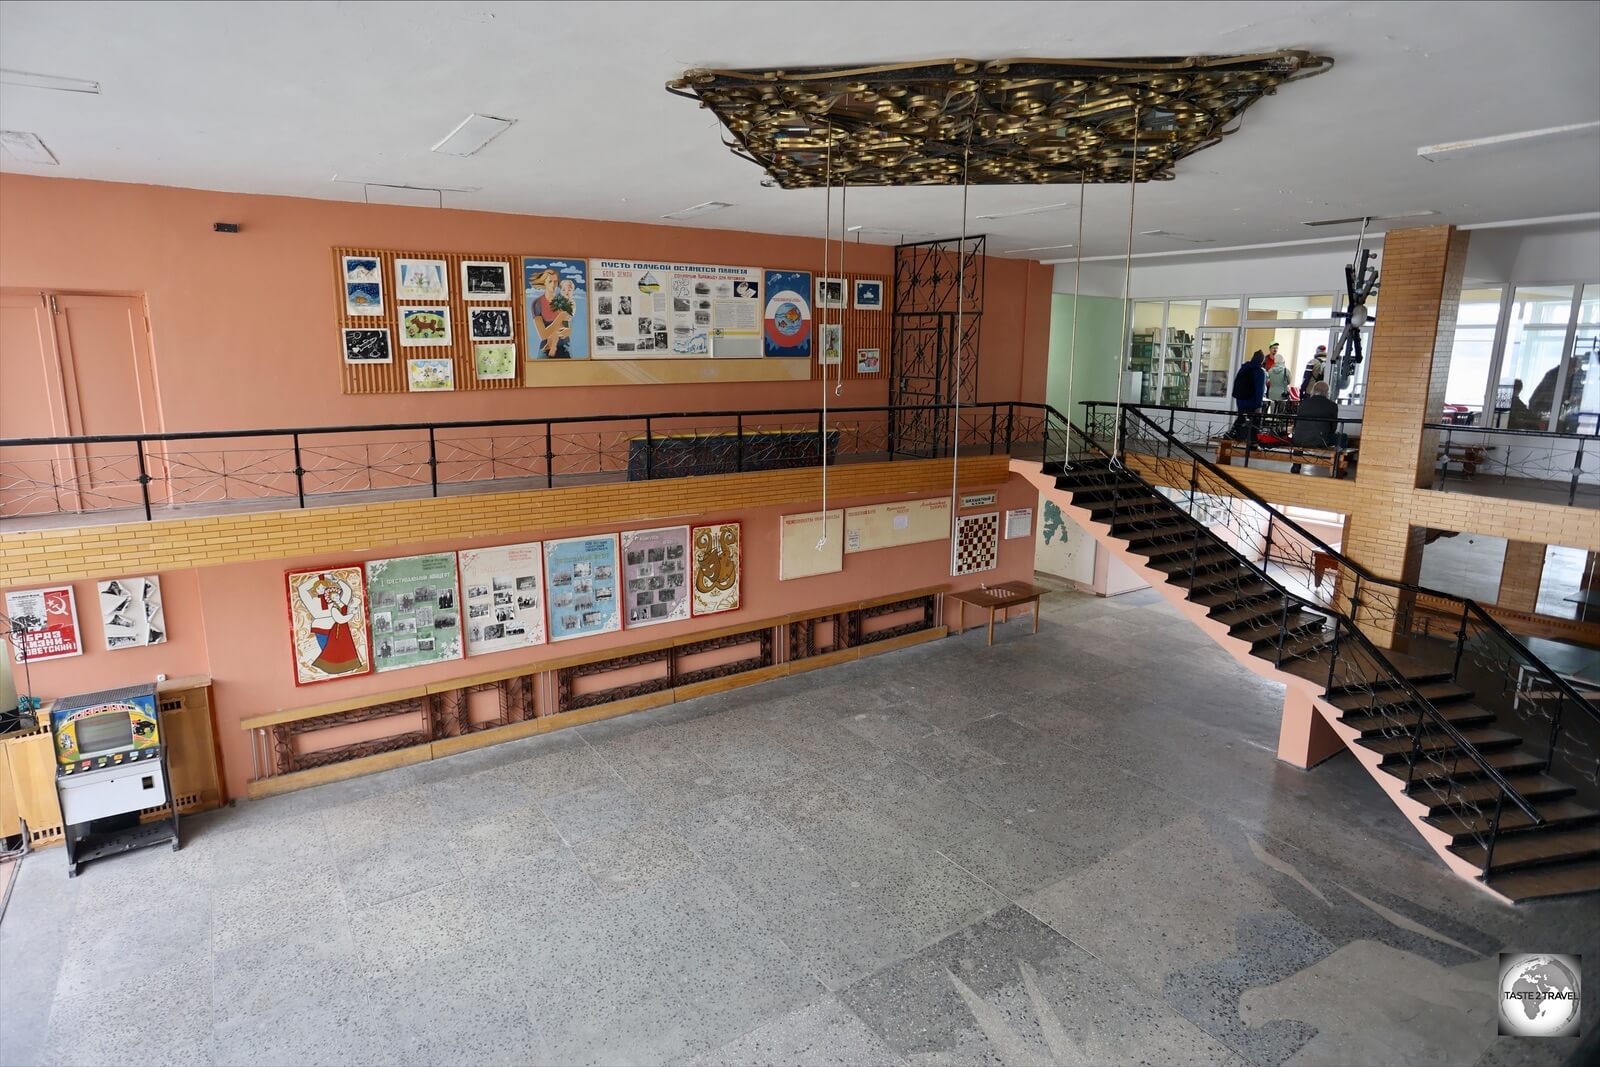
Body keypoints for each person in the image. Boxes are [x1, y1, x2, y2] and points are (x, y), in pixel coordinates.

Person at [1290, 380, 1341, 474]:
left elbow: (1296, 423)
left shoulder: (1303, 403)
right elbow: (1334, 428)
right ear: (1327, 392)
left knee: (1300, 435)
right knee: (1343, 437)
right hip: (1320, 441)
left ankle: (1296, 465)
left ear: (1313, 390)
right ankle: (1337, 467)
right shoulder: (1332, 406)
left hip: (1299, 440)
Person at [1227, 351, 1267, 441]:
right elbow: (1259, 389)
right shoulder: (1259, 371)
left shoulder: (1243, 368)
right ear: (1262, 360)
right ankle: (1252, 441)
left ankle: (1234, 434)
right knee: (1254, 422)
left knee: (1241, 418)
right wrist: (1259, 405)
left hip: (1240, 399)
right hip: (1252, 400)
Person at [1265, 345, 1291, 409]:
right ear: (1283, 361)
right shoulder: (1286, 370)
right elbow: (1289, 382)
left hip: (1271, 393)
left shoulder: (1270, 370)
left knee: (1272, 410)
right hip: (1282, 393)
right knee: (1280, 412)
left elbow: (1267, 380)